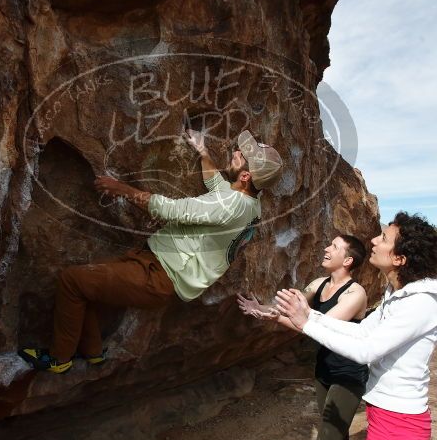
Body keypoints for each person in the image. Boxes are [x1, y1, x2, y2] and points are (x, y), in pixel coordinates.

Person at [19, 129, 284, 373]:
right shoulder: (251, 204)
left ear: (246, 176)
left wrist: (121, 189)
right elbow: (217, 184)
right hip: (157, 266)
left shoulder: (230, 204)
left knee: (71, 281)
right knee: (88, 288)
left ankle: (59, 359)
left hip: (160, 275)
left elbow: (172, 210)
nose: (237, 151)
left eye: (242, 155)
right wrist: (203, 152)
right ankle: (92, 353)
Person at [273, 212, 437, 440]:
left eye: (385, 238)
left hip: (398, 425)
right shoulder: (400, 296)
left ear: (400, 259)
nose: (374, 240)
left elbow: (366, 349)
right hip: (388, 417)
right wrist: (309, 317)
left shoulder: (419, 304)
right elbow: (362, 330)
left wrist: (306, 324)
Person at [238, 235, 368, 440]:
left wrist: (278, 317)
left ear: (347, 260)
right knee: (340, 437)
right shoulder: (317, 285)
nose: (325, 248)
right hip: (324, 370)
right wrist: (262, 310)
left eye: (333, 246)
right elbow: (289, 308)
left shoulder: (354, 293)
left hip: (348, 373)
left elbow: (319, 326)